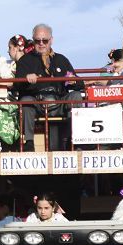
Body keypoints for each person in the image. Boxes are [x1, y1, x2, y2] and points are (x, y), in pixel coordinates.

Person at [14, 23, 84, 151]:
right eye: (37, 41)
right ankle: (29, 142)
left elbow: (80, 84)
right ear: (33, 41)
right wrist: (26, 80)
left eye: (44, 40)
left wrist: (73, 81)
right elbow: (16, 86)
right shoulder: (25, 60)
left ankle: (73, 138)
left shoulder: (61, 60)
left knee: (76, 96)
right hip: (37, 103)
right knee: (25, 101)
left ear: (51, 40)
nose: (41, 43)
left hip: (59, 100)